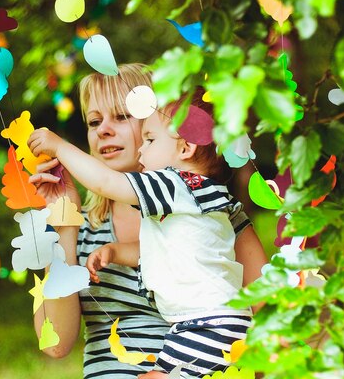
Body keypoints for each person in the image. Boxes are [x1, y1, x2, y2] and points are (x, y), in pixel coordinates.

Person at [29, 64, 268, 379]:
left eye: (122, 116)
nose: (103, 131)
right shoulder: (82, 225)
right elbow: (55, 345)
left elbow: (267, 322)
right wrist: (66, 222)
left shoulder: (215, 211)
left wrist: (60, 146)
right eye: (95, 121)